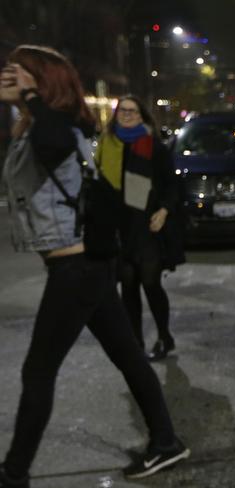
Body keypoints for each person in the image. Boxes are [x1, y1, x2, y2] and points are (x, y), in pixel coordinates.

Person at [0, 46, 189, 488]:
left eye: (22, 72)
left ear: (43, 83)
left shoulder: (59, 125)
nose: (10, 74)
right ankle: (166, 442)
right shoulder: (39, 125)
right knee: (128, 356)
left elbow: (54, 139)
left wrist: (29, 97)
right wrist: (22, 103)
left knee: (38, 371)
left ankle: (13, 474)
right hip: (87, 266)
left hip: (76, 269)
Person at [95, 95, 184, 361]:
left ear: (142, 116)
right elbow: (99, 183)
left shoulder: (152, 145)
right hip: (118, 224)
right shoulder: (106, 144)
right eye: (122, 111)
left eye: (132, 111)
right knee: (128, 286)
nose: (126, 115)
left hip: (146, 223)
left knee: (150, 283)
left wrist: (164, 210)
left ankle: (164, 336)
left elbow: (171, 184)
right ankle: (135, 342)